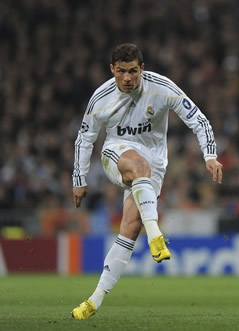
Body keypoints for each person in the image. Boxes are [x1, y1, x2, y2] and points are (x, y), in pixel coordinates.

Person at [71, 43, 223, 320]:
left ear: (142, 68)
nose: (126, 78)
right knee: (139, 165)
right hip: (116, 153)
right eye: (120, 72)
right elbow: (86, 139)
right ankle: (156, 236)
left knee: (129, 228)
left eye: (132, 71)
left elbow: (199, 121)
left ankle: (94, 300)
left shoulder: (162, 88)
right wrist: (79, 178)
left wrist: (210, 156)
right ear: (112, 70)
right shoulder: (100, 98)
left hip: (155, 165)